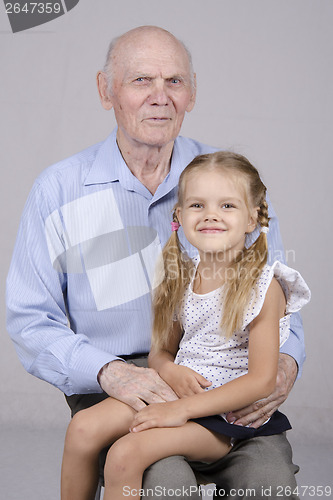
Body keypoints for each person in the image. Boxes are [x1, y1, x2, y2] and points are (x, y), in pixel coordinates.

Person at [6, 26, 305, 499]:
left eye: (175, 82)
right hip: (115, 375)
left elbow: (276, 301)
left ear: (192, 95)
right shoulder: (58, 191)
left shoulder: (229, 180)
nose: (160, 97)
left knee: (267, 482)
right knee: (164, 482)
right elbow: (29, 320)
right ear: (107, 90)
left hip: (227, 376)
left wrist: (286, 362)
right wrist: (110, 371)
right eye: (141, 80)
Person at [61, 151, 310, 500]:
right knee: (82, 428)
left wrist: (179, 410)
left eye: (227, 206)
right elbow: (162, 350)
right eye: (197, 205)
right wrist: (169, 371)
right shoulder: (180, 275)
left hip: (224, 416)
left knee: (124, 455)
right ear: (179, 215)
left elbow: (262, 380)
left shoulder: (263, 287)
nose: (211, 215)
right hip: (177, 391)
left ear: (253, 217)